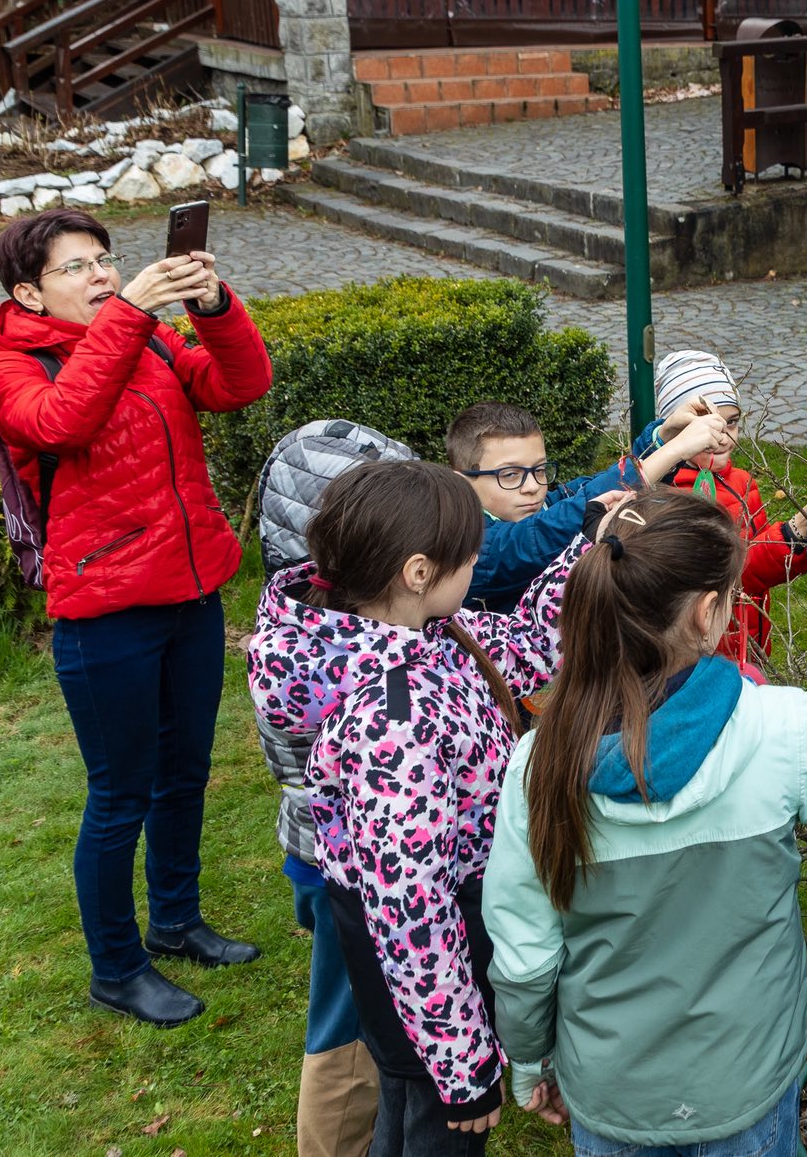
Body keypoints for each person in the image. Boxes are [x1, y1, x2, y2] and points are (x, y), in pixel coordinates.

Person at [481, 488, 807, 1156]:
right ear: (710, 613)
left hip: (613, 1089)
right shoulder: (780, 727)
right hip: (745, 1082)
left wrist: (532, 1062)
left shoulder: (540, 760)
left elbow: (524, 956)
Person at [0, 208, 272, 1027]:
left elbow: (239, 385)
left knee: (183, 774)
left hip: (190, 593)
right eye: (77, 268)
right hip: (105, 613)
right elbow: (60, 422)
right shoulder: (12, 367)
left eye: (105, 260)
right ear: (29, 293)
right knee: (120, 795)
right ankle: (116, 967)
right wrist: (133, 312)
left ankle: (176, 919)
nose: (101, 275)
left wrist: (213, 308)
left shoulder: (141, 340)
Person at [247, 461, 584, 1154]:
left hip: (425, 968)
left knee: (403, 1112)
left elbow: (523, 649)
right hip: (431, 971)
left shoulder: (429, 637)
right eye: (471, 556)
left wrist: (590, 545)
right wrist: (463, 1067)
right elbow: (411, 907)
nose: (479, 565)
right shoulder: (392, 718)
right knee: (437, 1125)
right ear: (420, 572)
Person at [253, 420, 422, 1157]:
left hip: (315, 853)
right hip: (349, 869)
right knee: (346, 1029)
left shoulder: (301, 619)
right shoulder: (344, 651)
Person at [629, 349, 807, 668]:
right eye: (708, 425)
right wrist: (793, 531)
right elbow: (723, 578)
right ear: (677, 429)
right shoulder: (669, 495)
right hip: (696, 660)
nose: (723, 437)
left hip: (751, 646)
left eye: (731, 422)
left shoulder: (745, 482)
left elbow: (766, 570)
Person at [453, 399, 727, 611]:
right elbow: (556, 526)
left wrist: (661, 439)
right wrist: (675, 450)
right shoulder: (471, 549)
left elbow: (585, 490)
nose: (532, 486)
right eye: (509, 475)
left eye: (539, 470)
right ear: (462, 483)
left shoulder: (542, 506)